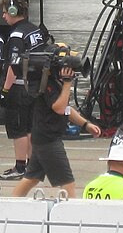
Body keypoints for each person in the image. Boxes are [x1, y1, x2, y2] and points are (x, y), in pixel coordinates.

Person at [12, 66, 102, 198]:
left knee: (32, 178)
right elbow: (59, 108)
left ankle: (10, 207)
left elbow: (66, 108)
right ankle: (69, 216)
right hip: (48, 140)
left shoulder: (54, 82)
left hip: (43, 137)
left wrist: (85, 124)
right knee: (67, 183)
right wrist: (67, 83)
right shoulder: (49, 83)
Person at [0, 0, 47, 180]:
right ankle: (32, 165)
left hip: (19, 88)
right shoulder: (35, 30)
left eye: (5, 12)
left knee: (17, 128)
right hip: (34, 87)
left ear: (12, 12)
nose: (3, 16)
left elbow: (14, 65)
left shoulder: (17, 35)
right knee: (29, 127)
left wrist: (4, 91)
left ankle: (20, 167)